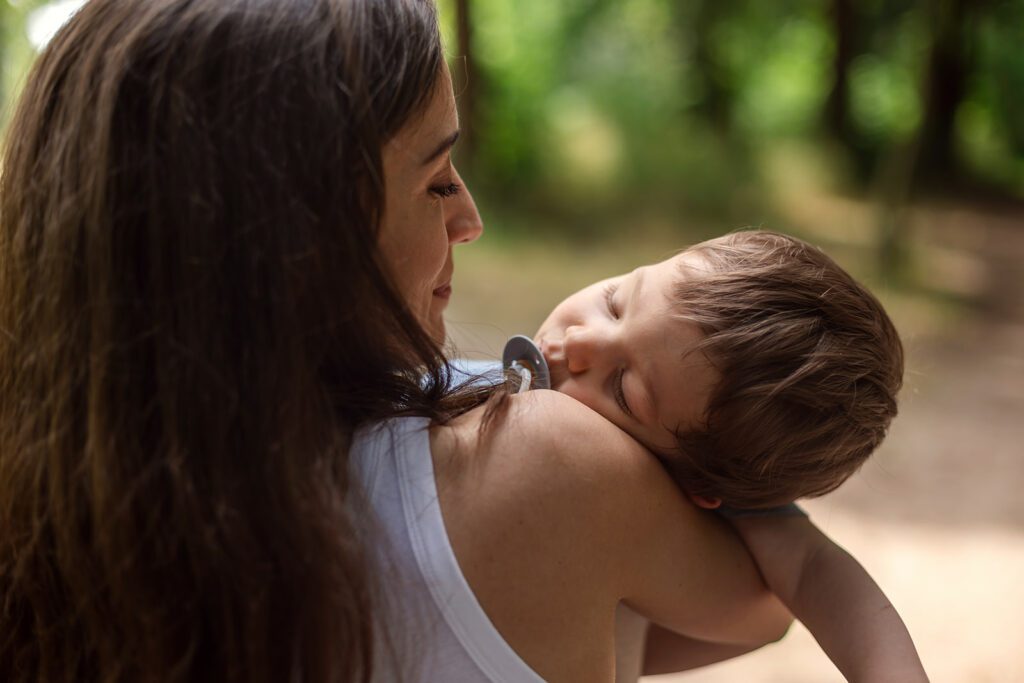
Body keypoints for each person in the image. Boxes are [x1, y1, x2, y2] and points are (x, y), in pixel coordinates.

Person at [0, 1, 792, 682]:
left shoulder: (56, 525)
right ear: (295, 237)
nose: (468, 220)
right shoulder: (540, 463)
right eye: (438, 179)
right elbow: (764, 604)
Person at [532, 229, 929, 680]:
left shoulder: (676, 494)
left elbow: (813, 571)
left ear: (696, 484)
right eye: (614, 302)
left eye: (622, 388)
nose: (581, 343)